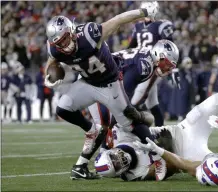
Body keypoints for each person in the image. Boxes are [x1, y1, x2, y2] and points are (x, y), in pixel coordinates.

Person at [43, 2, 165, 180]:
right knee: (63, 108)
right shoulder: (54, 48)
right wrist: (49, 75)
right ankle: (90, 133)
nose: (65, 45)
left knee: (130, 124)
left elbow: (118, 20)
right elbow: (52, 59)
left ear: (72, 32)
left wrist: (143, 12)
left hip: (110, 84)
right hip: (86, 83)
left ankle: (158, 158)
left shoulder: (89, 35)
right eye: (60, 43)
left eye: (66, 39)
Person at [73, 39, 179, 180]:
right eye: (167, 64)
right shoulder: (144, 65)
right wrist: (113, 125)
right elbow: (121, 95)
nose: (168, 69)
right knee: (107, 126)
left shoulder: (148, 62)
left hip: (102, 79)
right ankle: (83, 165)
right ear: (158, 55)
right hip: (95, 79)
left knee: (119, 122)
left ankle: (89, 162)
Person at [94, 93, 218, 180]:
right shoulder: (134, 174)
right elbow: (172, 168)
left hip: (182, 129)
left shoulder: (119, 134)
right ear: (118, 174)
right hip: (185, 154)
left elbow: (150, 119)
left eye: (113, 158)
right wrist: (162, 149)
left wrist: (140, 117)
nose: (119, 161)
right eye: (116, 166)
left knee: (217, 100)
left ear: (110, 151)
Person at [128, 2, 176, 127]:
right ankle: (161, 130)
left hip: (153, 66)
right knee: (152, 103)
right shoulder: (138, 26)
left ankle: (126, 126)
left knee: (138, 95)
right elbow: (131, 46)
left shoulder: (161, 25)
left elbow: (169, 45)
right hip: (140, 64)